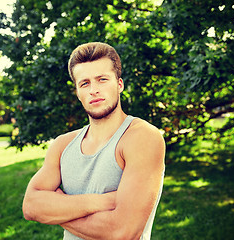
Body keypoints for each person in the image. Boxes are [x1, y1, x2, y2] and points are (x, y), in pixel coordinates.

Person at [22, 42, 165, 240]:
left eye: (102, 80)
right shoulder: (63, 145)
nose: (93, 90)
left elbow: (122, 232)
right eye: (85, 83)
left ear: (119, 84)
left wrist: (57, 209)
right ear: (78, 92)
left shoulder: (141, 137)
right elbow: (30, 206)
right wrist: (102, 202)